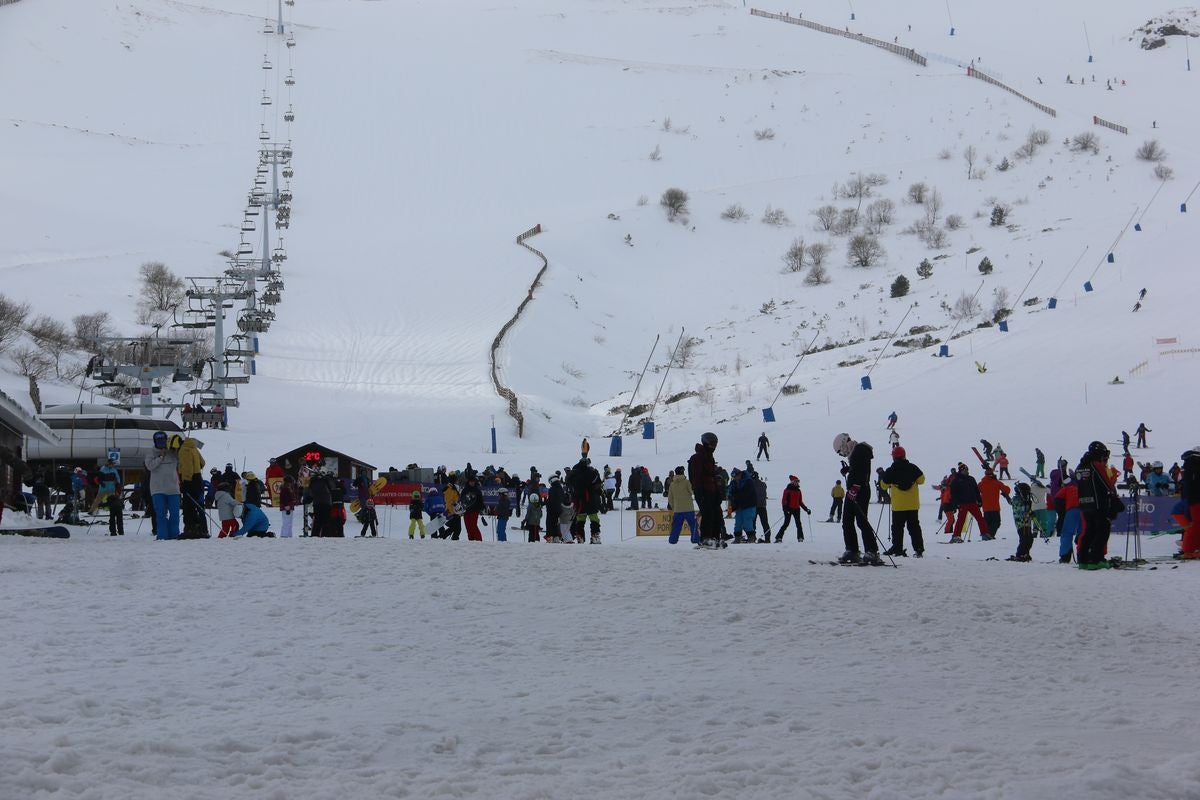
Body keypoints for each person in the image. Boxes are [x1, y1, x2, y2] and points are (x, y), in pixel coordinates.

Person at [834, 433, 881, 564]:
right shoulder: (855, 451)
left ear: (843, 444)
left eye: (840, 451)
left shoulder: (860, 450)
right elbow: (859, 468)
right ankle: (852, 550)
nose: (842, 454)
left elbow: (863, 471)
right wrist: (848, 469)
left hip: (859, 490)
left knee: (860, 520)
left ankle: (871, 551)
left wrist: (855, 487)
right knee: (847, 520)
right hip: (855, 490)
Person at [1075, 441, 1124, 568]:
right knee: (1102, 531)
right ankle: (1095, 559)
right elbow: (1106, 484)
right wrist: (1115, 500)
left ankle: (1083, 559)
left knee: (1089, 531)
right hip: (1099, 504)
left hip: (1084, 504)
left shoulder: (1080, 467)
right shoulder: (1095, 465)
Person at [879, 446, 925, 557]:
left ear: (894, 457)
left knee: (897, 528)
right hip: (913, 504)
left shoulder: (891, 470)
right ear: (904, 455)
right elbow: (921, 480)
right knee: (914, 527)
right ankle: (918, 549)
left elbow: (883, 486)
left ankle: (897, 548)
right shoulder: (913, 468)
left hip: (898, 505)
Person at [688, 431, 724, 548]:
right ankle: (705, 538)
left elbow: (712, 476)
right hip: (703, 490)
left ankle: (715, 537)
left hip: (712, 490)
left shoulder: (709, 457)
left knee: (717, 513)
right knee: (708, 513)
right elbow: (696, 476)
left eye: (715, 445)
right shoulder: (697, 458)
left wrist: (718, 491)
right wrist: (699, 491)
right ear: (705, 443)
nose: (713, 447)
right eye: (712, 444)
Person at [146, 431, 181, 540]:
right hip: (158, 489)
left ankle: (174, 535)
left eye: (163, 439)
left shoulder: (173, 452)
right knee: (161, 515)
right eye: (158, 440)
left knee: (175, 514)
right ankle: (162, 536)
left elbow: (181, 462)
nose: (161, 442)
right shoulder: (151, 453)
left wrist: (177, 449)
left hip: (173, 489)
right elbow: (149, 466)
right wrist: (160, 457)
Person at [948, 463, 986, 543]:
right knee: (961, 520)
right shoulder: (956, 480)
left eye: (967, 469)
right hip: (962, 503)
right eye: (964, 470)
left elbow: (976, 491)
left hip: (972, 502)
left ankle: (984, 534)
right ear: (960, 470)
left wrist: (979, 500)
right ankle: (956, 536)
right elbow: (953, 494)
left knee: (980, 518)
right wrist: (955, 504)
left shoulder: (971, 479)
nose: (966, 471)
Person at [569, 458, 603, 544]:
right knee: (594, 518)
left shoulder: (574, 473)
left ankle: (580, 537)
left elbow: (570, 484)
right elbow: (597, 484)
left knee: (580, 519)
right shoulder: (592, 472)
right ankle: (595, 536)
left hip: (579, 500)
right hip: (590, 499)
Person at [178, 436, 206, 537]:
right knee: (199, 506)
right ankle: (203, 529)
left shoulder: (183, 450)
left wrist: (186, 482)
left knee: (188, 506)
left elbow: (187, 468)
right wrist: (197, 468)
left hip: (190, 480)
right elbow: (203, 462)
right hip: (198, 479)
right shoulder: (194, 448)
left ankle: (190, 529)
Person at [666, 466, 698, 545]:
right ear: (683, 472)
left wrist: (674, 507)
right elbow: (692, 492)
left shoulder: (672, 484)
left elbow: (670, 498)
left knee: (676, 526)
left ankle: (672, 541)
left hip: (677, 510)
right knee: (693, 525)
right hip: (688, 508)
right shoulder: (686, 482)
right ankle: (695, 540)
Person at [1178, 447, 1200, 559]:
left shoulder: (1188, 467)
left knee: (1195, 525)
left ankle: (1191, 548)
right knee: (1195, 525)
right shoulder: (1192, 467)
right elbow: (1193, 485)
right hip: (1194, 500)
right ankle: (1188, 549)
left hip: (1191, 499)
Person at [775, 475, 811, 543]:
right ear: (792, 482)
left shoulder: (798, 491)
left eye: (798, 482)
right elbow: (784, 501)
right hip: (789, 509)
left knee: (798, 524)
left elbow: (800, 502)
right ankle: (779, 537)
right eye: (796, 481)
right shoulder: (787, 490)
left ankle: (800, 537)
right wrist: (785, 510)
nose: (797, 483)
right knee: (786, 523)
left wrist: (806, 509)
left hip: (796, 509)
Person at [978, 468, 1012, 539]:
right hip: (995, 507)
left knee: (987, 523)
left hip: (985, 508)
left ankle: (986, 535)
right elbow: (1007, 490)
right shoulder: (996, 482)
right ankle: (990, 535)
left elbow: (976, 492)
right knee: (996, 523)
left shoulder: (981, 483)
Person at [1007, 482, 1035, 561]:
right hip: (1021, 523)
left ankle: (1026, 553)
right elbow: (1020, 510)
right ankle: (1020, 554)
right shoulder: (1017, 499)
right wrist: (1028, 508)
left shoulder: (1025, 499)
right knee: (1024, 539)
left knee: (1030, 539)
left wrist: (1030, 510)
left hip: (1027, 523)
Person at [728, 468, 757, 543]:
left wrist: (736, 495)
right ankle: (737, 537)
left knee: (747, 522)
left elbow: (746, 493)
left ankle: (751, 537)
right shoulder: (734, 482)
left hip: (748, 505)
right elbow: (731, 492)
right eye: (733, 477)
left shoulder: (748, 481)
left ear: (740, 474)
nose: (735, 478)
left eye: (736, 476)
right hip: (739, 506)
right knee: (738, 522)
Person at [459, 475, 484, 541]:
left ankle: (479, 540)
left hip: (474, 511)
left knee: (473, 526)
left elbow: (480, 500)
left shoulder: (477, 490)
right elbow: (461, 499)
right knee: (468, 527)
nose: (472, 483)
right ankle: (471, 541)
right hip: (466, 511)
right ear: (468, 482)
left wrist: (481, 508)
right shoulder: (465, 490)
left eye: (473, 481)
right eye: (471, 481)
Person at [752, 473, 772, 542]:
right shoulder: (763, 484)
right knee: (765, 523)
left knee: (752, 523)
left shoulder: (751, 484)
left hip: (754, 506)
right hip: (762, 506)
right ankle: (767, 538)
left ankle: (752, 537)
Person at [546, 474, 566, 543]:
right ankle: (556, 537)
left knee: (550, 523)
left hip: (552, 510)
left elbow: (550, 500)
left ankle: (551, 537)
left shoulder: (552, 489)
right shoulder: (560, 488)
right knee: (556, 523)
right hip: (560, 509)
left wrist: (546, 504)